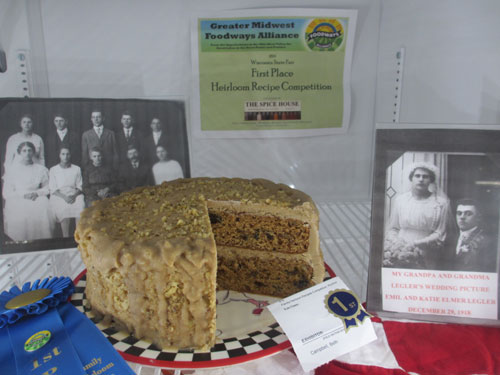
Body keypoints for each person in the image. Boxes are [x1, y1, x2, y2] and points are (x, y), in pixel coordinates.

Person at [383, 162, 451, 269]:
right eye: (417, 176)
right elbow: (393, 228)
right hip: (401, 250)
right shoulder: (401, 200)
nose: (421, 179)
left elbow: (440, 232)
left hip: (427, 250)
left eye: (425, 177)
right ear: (411, 178)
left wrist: (417, 243)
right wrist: (397, 244)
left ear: (431, 180)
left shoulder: (441, 203)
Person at [2, 142, 53, 241]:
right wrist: (23, 195)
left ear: (33, 152)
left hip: (36, 196)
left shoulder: (41, 169)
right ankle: (20, 241)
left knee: (43, 203)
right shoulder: (12, 170)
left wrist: (37, 193)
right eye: (24, 151)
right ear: (19, 153)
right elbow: (6, 192)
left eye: (30, 150)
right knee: (20, 208)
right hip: (18, 197)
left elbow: (47, 187)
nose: (27, 153)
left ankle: (41, 241)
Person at [49, 147, 85, 237]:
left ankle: (78, 236)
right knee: (64, 208)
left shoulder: (76, 168)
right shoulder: (53, 169)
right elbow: (53, 188)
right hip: (59, 195)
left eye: (68, 154)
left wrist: (74, 196)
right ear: (59, 156)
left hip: (74, 194)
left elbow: (80, 186)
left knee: (80, 206)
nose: (65, 156)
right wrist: (65, 197)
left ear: (70, 155)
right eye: (63, 154)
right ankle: (66, 237)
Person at [453, 198, 496, 272]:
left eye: (468, 213)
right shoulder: (450, 238)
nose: (462, 217)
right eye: (459, 213)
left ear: (478, 217)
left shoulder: (488, 242)